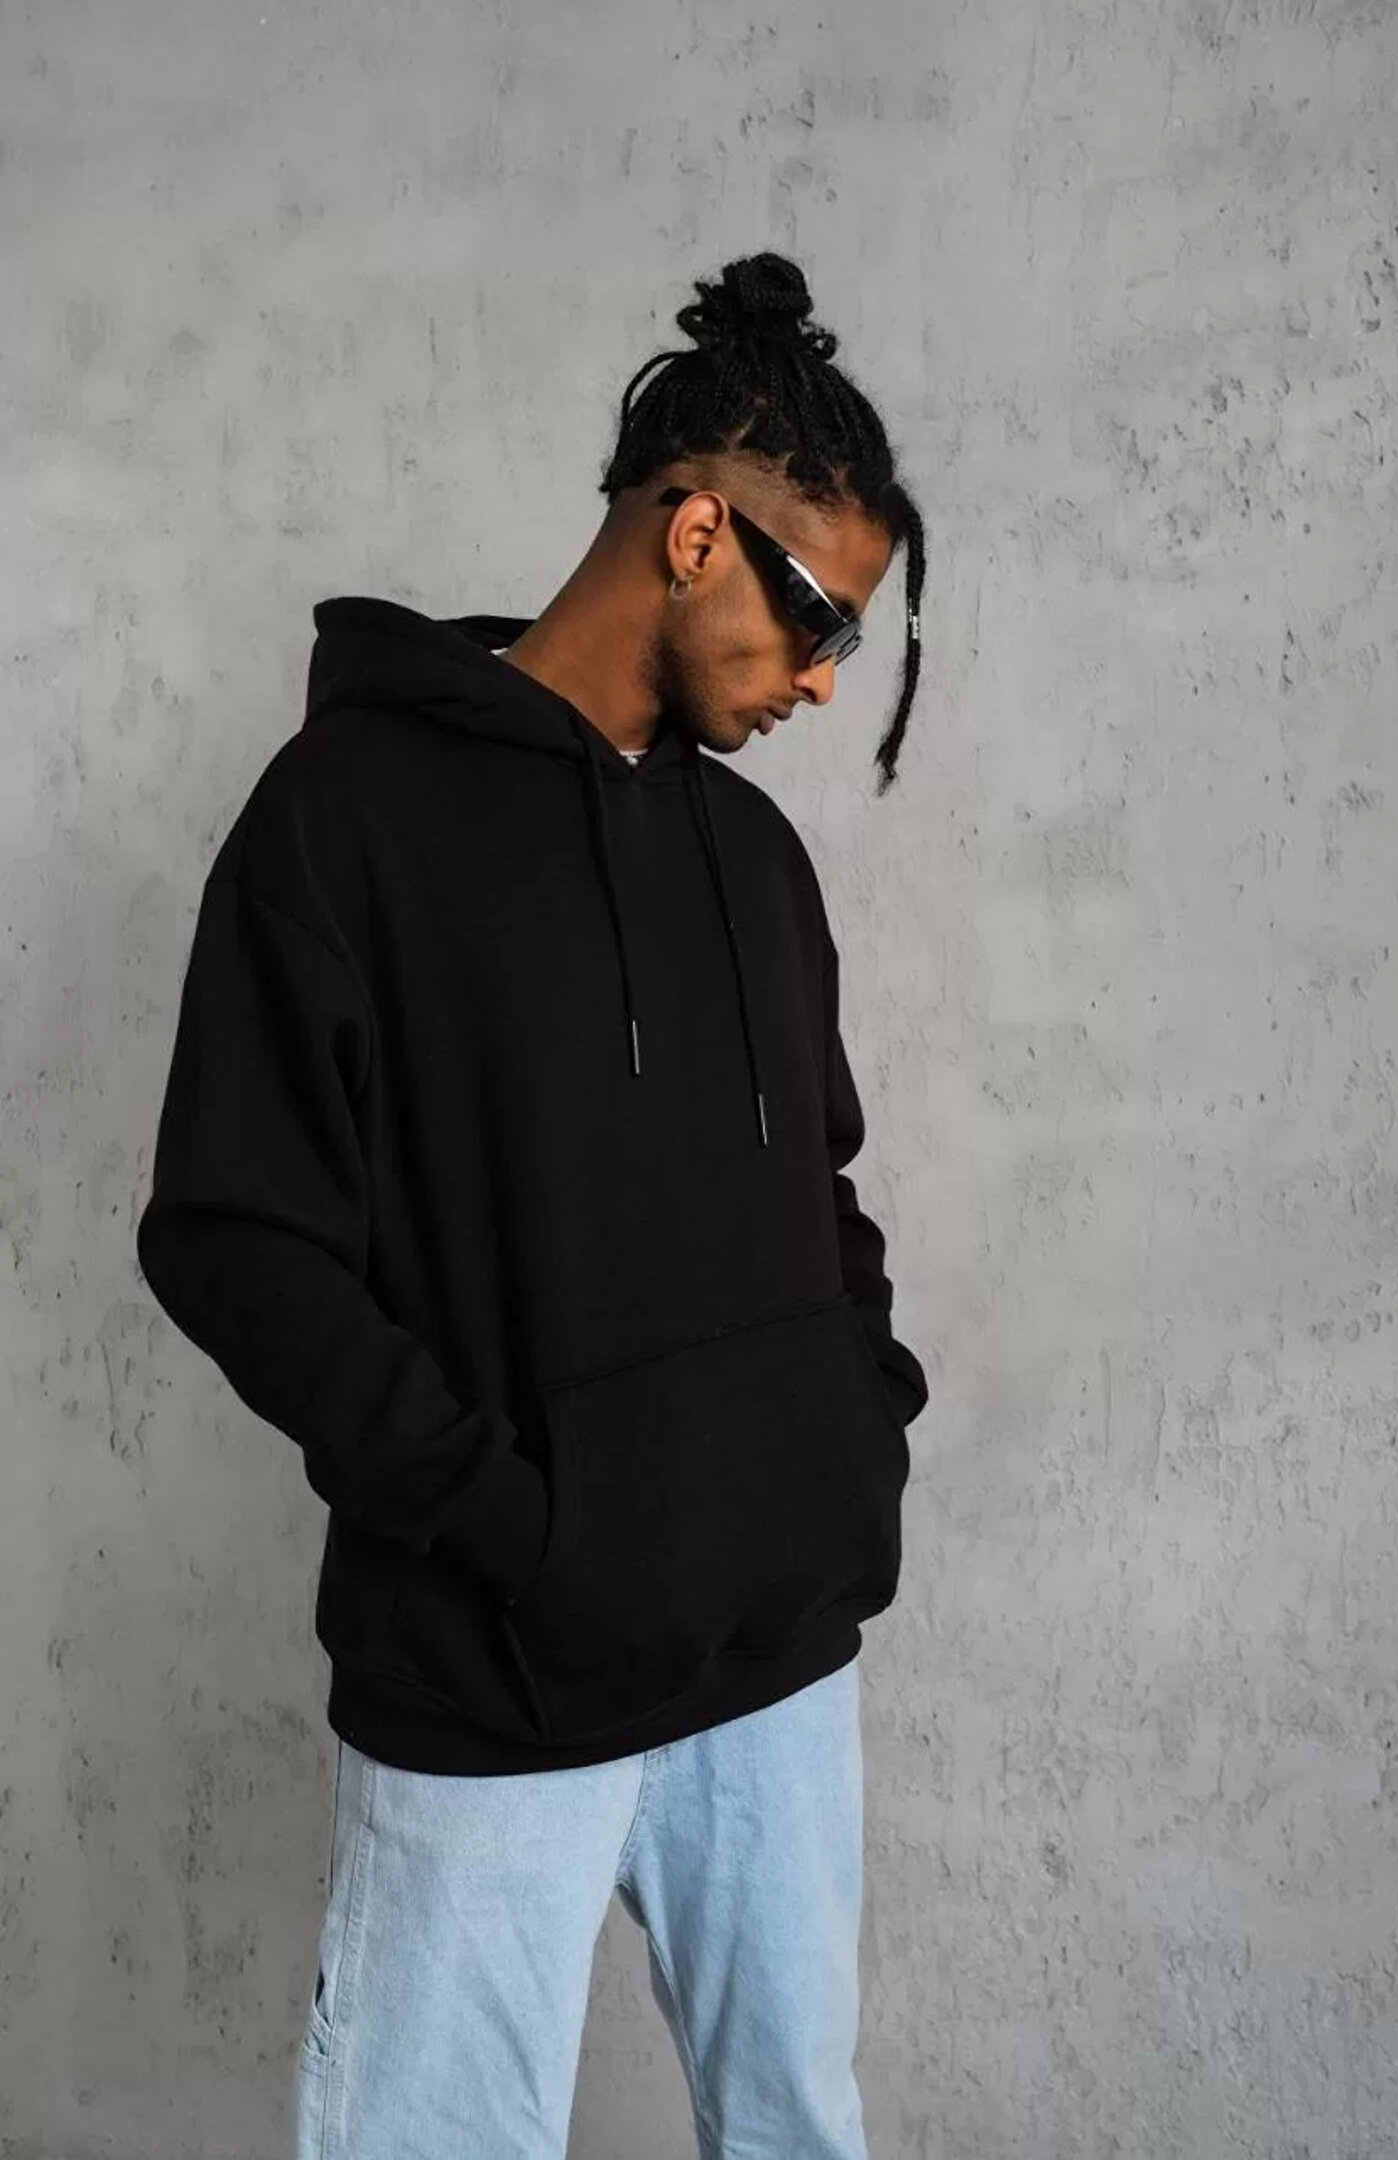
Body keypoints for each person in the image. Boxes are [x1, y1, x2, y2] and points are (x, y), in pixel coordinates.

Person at [136, 249, 931, 2159]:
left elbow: (817, 1186)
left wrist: (855, 1430)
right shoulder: (346, 819)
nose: (826, 677)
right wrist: (516, 1523)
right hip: (493, 1684)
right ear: (695, 535)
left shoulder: (755, 855)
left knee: (800, 2131)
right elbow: (235, 1236)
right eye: (816, 615)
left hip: (776, 1668)